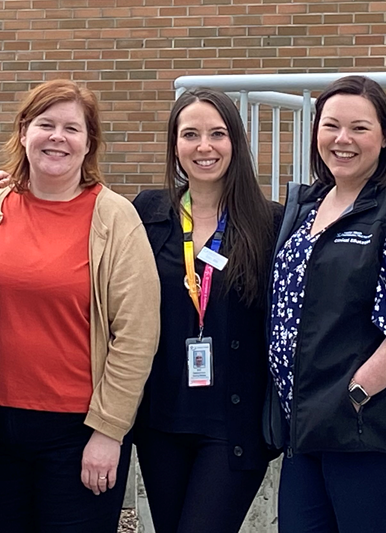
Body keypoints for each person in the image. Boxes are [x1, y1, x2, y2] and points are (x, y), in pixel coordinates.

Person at [0, 79, 160, 532]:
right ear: (24, 132)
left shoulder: (114, 217)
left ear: (89, 144)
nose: (57, 137)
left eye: (72, 128)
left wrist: (108, 432)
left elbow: (137, 332)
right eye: (45, 124)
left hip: (78, 432)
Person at [266, 74, 386, 532]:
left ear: (385, 137)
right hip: (306, 432)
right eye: (331, 126)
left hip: (369, 435)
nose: (342, 139)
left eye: (359, 128)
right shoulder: (305, 208)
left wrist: (354, 395)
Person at [131, 88, 281, 533]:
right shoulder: (147, 213)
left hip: (233, 425)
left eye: (217, 134)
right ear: (175, 145)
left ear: (234, 141)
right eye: (190, 134)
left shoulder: (269, 222)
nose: (204, 147)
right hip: (162, 421)